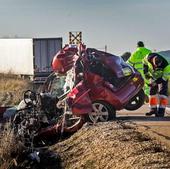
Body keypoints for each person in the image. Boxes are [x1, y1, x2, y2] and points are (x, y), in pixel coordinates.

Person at [143, 51, 170, 117]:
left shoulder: (166, 65)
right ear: (153, 60)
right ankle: (153, 109)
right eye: (155, 66)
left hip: (163, 77)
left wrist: (156, 83)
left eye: (158, 66)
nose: (156, 68)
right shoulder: (148, 57)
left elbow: (164, 78)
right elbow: (144, 63)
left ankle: (161, 112)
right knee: (152, 93)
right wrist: (146, 72)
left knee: (163, 94)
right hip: (153, 76)